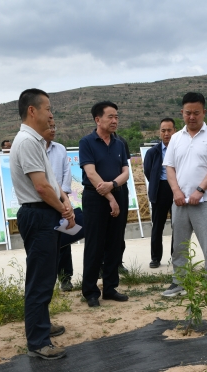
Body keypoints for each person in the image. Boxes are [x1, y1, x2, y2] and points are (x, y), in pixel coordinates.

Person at [10, 88, 74, 360]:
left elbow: (50, 181)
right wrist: (63, 209)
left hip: (46, 212)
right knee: (39, 279)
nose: (50, 114)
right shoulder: (26, 141)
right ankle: (37, 341)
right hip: (38, 214)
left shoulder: (36, 141)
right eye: (47, 108)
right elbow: (40, 187)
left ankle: (43, 325)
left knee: (46, 275)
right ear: (32, 110)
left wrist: (64, 200)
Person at [161, 92, 207, 303]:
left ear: (204, 112)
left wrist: (200, 190)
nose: (192, 117)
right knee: (179, 245)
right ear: (182, 112)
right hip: (180, 201)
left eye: (196, 113)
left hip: (205, 201)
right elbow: (169, 167)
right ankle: (179, 281)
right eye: (188, 113)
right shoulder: (176, 138)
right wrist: (176, 191)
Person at [79, 101, 131, 307]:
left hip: (118, 192)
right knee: (95, 244)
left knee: (115, 243)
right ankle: (90, 291)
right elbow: (91, 173)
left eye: (116, 117)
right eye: (110, 117)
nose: (115, 120)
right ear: (97, 119)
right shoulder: (87, 142)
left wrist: (113, 185)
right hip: (95, 197)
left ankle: (110, 287)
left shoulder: (120, 143)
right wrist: (110, 197)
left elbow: (126, 171)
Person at [45, 122, 74, 291]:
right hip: (41, 201)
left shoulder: (60, 148)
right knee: (44, 242)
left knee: (64, 241)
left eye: (54, 127)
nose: (52, 130)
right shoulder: (34, 148)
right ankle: (47, 281)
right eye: (49, 127)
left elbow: (66, 173)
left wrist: (65, 197)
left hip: (61, 200)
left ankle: (65, 278)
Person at [143, 118, 175, 268]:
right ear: (159, 132)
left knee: (178, 226)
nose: (166, 133)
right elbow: (148, 171)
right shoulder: (152, 152)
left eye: (169, 130)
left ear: (175, 131)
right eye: (163, 130)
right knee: (157, 226)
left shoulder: (179, 149)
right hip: (159, 190)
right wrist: (158, 183)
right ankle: (155, 258)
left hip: (177, 190)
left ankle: (177, 257)